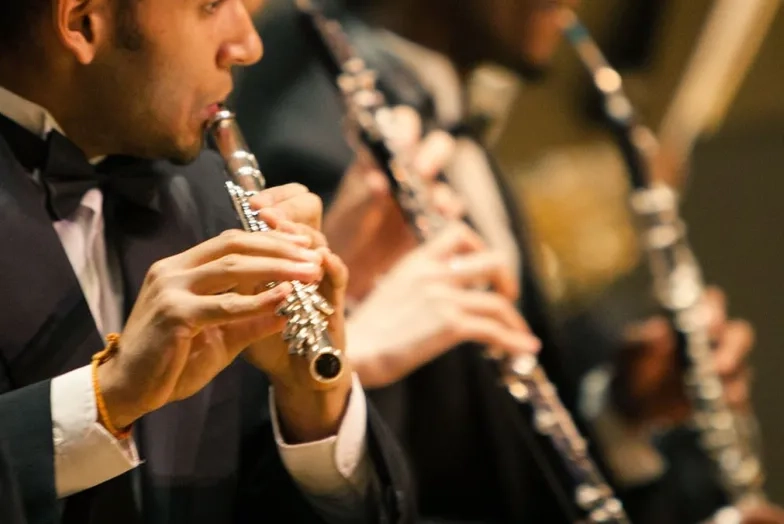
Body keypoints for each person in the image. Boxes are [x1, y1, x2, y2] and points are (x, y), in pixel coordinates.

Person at [232, 0, 776, 523]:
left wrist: (620, 412)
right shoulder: (313, 140)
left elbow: (498, 462)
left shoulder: (442, 114)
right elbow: (375, 488)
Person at [0, 0, 413, 522]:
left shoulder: (209, 200)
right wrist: (107, 398)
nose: (248, 45)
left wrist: (310, 411)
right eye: (212, 5)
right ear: (83, 23)